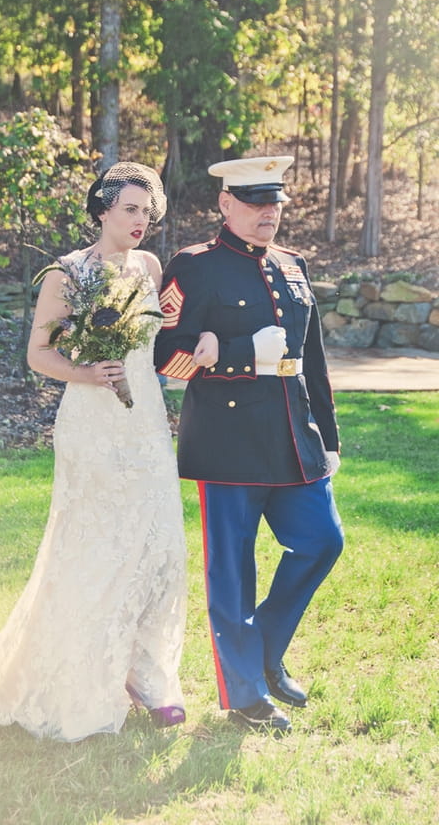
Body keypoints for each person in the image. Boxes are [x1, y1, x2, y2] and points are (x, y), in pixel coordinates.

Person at [0, 162, 188, 742]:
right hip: (93, 424)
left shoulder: (149, 267)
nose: (140, 221)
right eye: (129, 209)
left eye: (147, 213)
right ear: (101, 210)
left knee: (156, 549)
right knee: (96, 548)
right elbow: (37, 355)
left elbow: (159, 341)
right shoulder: (66, 274)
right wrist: (87, 372)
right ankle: (88, 682)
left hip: (146, 423)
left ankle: (147, 675)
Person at [154, 155, 344, 734]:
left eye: (275, 203)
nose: (268, 213)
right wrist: (240, 355)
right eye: (256, 203)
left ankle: (261, 651)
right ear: (225, 205)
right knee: (232, 572)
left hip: (293, 437)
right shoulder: (193, 266)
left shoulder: (294, 265)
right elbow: (166, 359)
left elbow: (311, 358)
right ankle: (244, 694)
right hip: (228, 441)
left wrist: (328, 438)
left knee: (321, 542)